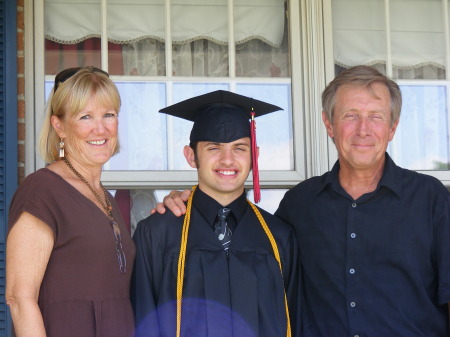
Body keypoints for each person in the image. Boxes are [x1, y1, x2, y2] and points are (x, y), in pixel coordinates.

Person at [155, 66, 450, 336]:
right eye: (350, 115)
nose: (363, 129)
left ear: (392, 127)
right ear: (329, 124)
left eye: (376, 116)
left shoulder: (431, 200)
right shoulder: (299, 205)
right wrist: (194, 203)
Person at [131, 90, 299, 337]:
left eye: (240, 148)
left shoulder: (279, 238)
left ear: (255, 155)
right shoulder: (157, 234)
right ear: (191, 156)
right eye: (213, 148)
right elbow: (141, 324)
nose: (227, 160)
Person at [6, 66, 135, 337]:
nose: (100, 128)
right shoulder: (42, 191)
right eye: (85, 116)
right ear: (59, 126)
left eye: (108, 114)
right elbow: (20, 298)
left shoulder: (107, 199)